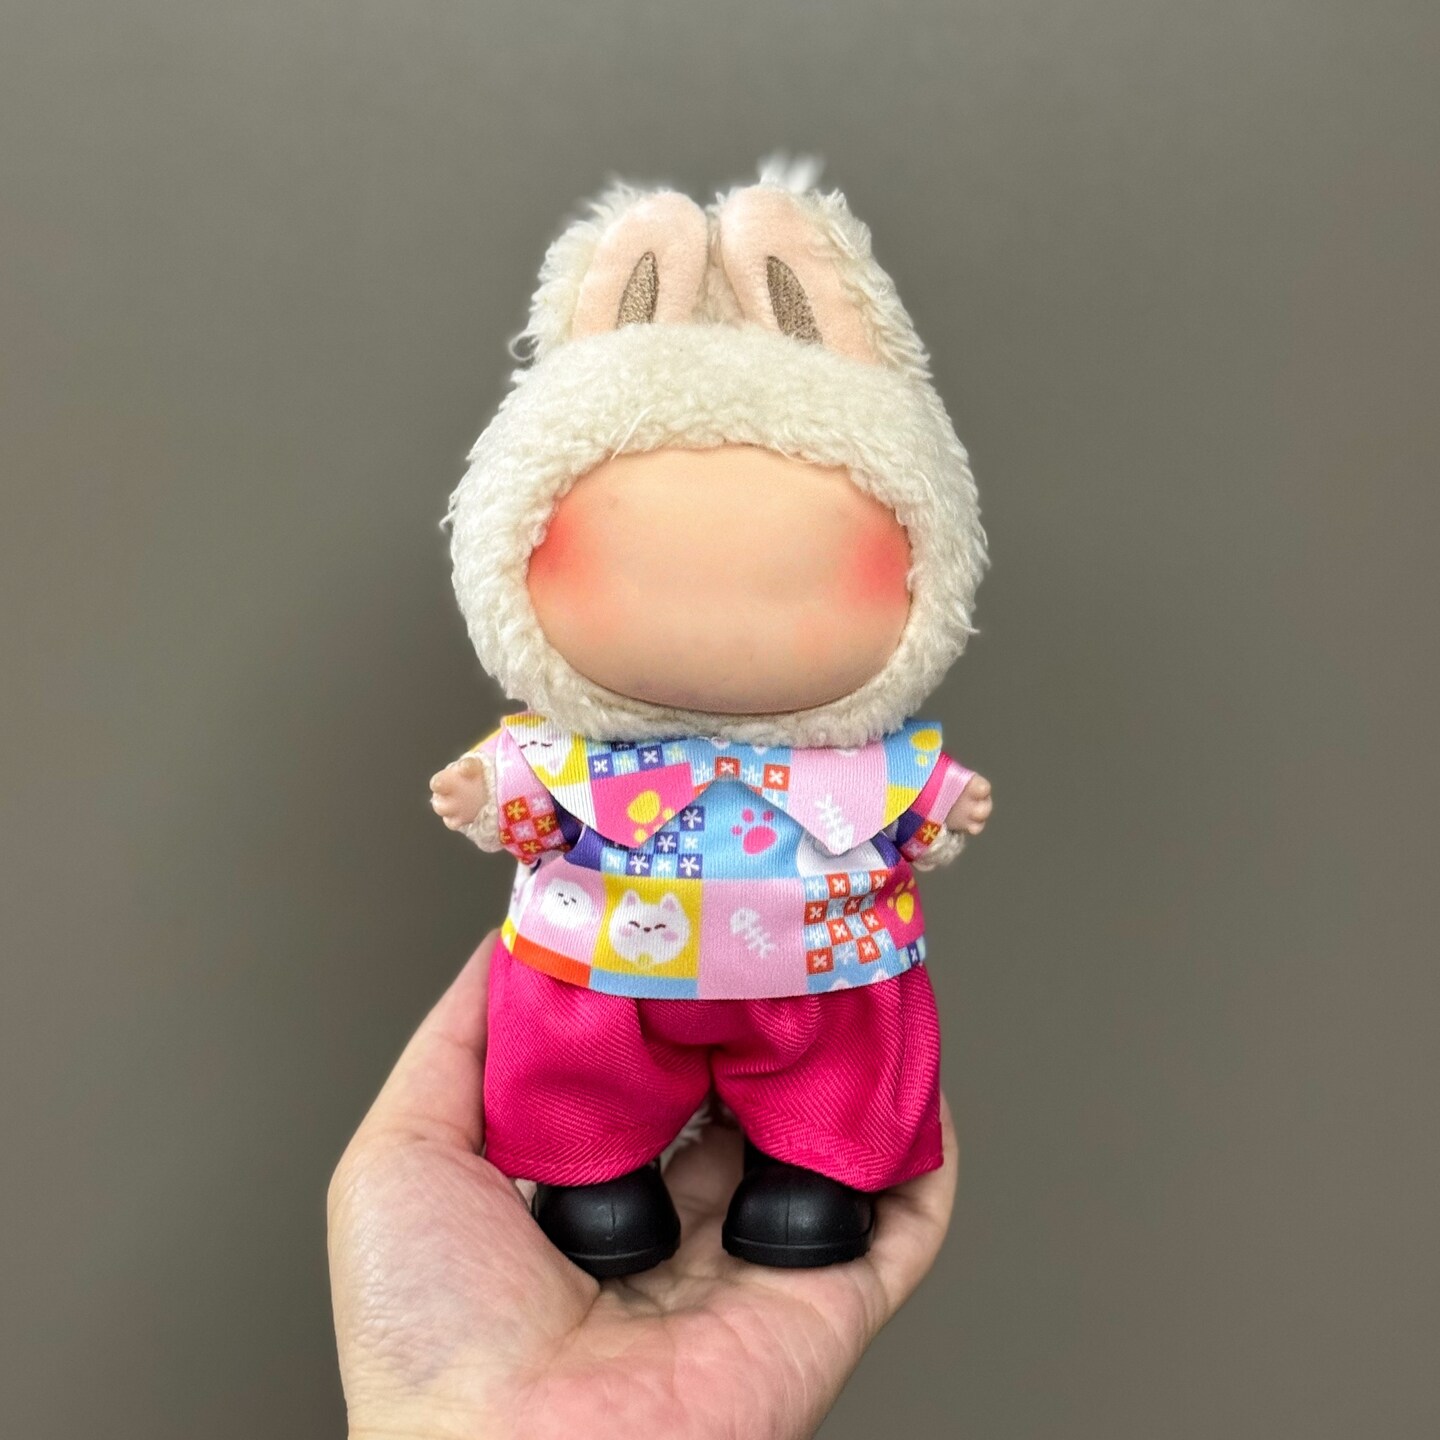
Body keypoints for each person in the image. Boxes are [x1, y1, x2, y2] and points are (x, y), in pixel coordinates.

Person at [327, 931, 958, 1439]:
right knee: (579, 1021)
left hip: (804, 928)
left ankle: (810, 1149)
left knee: (836, 1029)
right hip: (619, 919)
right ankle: (595, 1158)